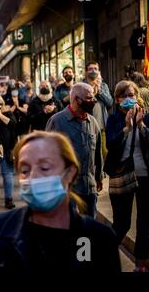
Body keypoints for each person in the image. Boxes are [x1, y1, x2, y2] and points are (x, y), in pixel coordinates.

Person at [0, 131, 121, 274]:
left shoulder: (100, 239)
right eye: (24, 170)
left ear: (70, 172)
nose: (33, 176)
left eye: (45, 167)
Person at [104, 80, 149, 272]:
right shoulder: (113, 119)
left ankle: (140, 265)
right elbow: (111, 145)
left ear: (137, 97)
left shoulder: (147, 116)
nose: (128, 99)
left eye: (132, 95)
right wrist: (126, 128)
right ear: (118, 99)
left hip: (146, 177)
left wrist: (141, 125)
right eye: (124, 96)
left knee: (145, 224)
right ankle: (103, 255)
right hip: (123, 175)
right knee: (122, 223)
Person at [46, 83, 103, 217]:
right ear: (76, 99)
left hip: (89, 188)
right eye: (89, 98)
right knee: (69, 230)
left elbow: (97, 153)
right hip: (66, 189)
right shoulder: (57, 121)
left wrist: (98, 177)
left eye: (93, 97)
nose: (93, 101)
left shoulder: (92, 122)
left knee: (88, 230)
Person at [0, 95, 18, 209]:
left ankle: (9, 199)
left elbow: (13, 124)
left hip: (7, 149)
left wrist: (0, 115)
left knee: (8, 175)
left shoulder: (8, 114)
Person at [84, 61, 113, 159]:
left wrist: (99, 90)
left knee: (104, 152)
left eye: (95, 69)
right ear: (86, 72)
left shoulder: (103, 86)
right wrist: (92, 92)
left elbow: (109, 102)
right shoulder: (81, 86)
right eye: (90, 69)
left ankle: (102, 173)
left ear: (99, 71)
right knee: (89, 153)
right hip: (86, 125)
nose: (93, 71)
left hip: (101, 126)